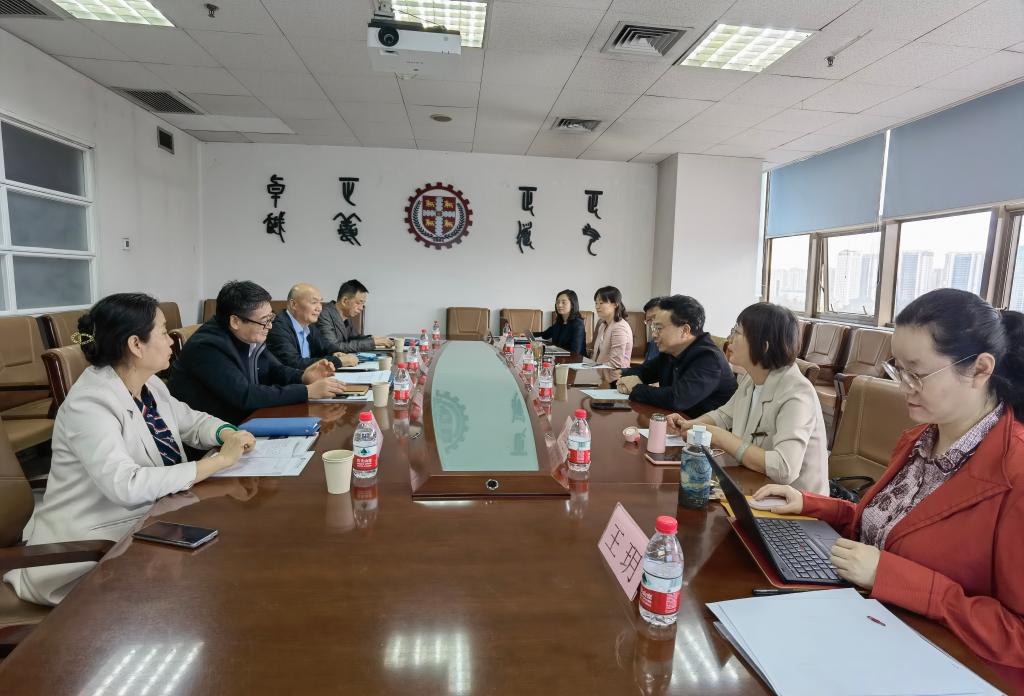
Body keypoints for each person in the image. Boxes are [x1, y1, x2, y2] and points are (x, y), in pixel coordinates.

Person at [753, 289, 1024, 689]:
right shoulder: (921, 439)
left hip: (946, 667)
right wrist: (810, 504)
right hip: (874, 628)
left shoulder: (1014, 473)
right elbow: (892, 529)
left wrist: (893, 576)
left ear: (980, 369)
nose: (903, 387)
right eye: (898, 370)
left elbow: (1017, 636)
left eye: (917, 374)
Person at [2, 293, 257, 606]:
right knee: (205, 590)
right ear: (136, 344)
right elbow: (126, 485)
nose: (171, 341)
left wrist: (228, 433)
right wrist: (217, 462)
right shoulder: (90, 404)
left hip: (145, 526)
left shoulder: (149, 385)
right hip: (86, 555)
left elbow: (190, 421)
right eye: (163, 332)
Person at [667, 302, 828, 494]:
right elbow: (723, 416)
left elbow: (784, 468)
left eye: (737, 332)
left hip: (795, 503)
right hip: (755, 487)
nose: (729, 339)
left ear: (764, 346)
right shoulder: (752, 378)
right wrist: (690, 425)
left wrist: (722, 438)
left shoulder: (797, 393)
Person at [170, 281, 349, 424]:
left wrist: (303, 377)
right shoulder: (208, 347)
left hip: (248, 420)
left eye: (271, 317)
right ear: (235, 321)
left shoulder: (247, 335)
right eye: (264, 321)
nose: (270, 326)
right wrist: (306, 391)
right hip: (215, 437)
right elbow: (245, 395)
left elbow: (274, 369)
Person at [617, 295, 736, 413]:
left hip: (700, 424)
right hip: (676, 419)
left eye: (659, 328)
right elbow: (645, 371)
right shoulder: (671, 351)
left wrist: (635, 388)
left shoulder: (709, 358)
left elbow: (677, 399)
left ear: (685, 330)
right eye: (653, 328)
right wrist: (617, 375)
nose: (653, 334)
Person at [266, 283, 357, 369]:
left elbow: (326, 347)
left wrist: (335, 353)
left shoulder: (308, 325)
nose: (319, 308)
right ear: (294, 304)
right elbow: (293, 363)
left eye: (320, 302)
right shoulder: (277, 328)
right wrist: (338, 361)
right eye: (314, 302)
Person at [318, 279, 392, 353]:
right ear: (344, 301)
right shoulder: (323, 315)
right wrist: (373, 342)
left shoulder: (346, 314)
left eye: (363, 304)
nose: (361, 308)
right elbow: (334, 347)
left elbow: (354, 338)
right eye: (358, 303)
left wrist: (371, 338)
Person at [592, 286, 633, 382]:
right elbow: (597, 356)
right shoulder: (603, 325)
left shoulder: (619, 328)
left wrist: (591, 368)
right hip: (601, 376)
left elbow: (616, 364)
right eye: (596, 303)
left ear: (615, 304)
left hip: (616, 380)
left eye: (601, 303)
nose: (597, 307)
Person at [536, 289, 586, 355]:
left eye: (563, 302)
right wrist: (526, 334)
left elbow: (575, 352)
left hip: (574, 360)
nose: (559, 305)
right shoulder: (559, 322)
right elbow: (544, 335)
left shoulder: (578, 324)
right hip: (559, 357)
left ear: (572, 304)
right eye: (557, 302)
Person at [642, 296, 663, 363]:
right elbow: (646, 366)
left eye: (655, 318)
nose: (653, 324)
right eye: (649, 320)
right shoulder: (653, 342)